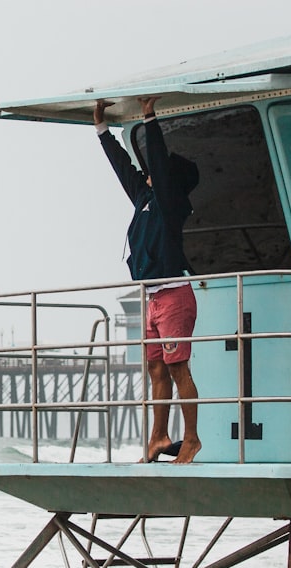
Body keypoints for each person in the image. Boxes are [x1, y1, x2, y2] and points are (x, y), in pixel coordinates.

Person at [94, 96, 202, 464]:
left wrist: (150, 118)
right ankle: (158, 437)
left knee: (176, 367)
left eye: (157, 169)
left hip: (174, 296)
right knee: (156, 368)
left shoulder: (172, 205)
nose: (149, 170)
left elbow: (156, 157)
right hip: (153, 299)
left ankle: (191, 439)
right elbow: (123, 167)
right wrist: (101, 129)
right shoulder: (144, 197)